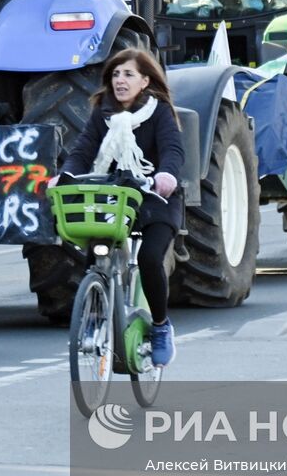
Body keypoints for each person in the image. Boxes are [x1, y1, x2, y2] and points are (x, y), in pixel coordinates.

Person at [49, 48, 185, 367]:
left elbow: (173, 150)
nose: (120, 81)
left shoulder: (159, 111)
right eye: (115, 75)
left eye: (128, 74)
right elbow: (83, 150)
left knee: (151, 257)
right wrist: (65, 175)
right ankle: (96, 312)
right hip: (115, 196)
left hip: (155, 197)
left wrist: (166, 175)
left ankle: (161, 328)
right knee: (95, 247)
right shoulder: (103, 112)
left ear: (145, 81)